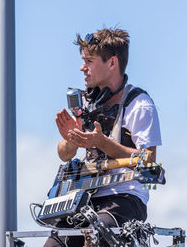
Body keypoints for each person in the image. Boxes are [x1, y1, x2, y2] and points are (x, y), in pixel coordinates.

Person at [43, 27, 162, 247]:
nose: (82, 67)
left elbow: (149, 160)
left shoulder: (139, 104)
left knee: (95, 238)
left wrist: (102, 143)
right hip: (85, 199)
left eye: (89, 60)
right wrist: (72, 138)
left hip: (125, 199)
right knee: (53, 244)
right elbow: (63, 154)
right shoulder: (88, 103)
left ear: (112, 63)